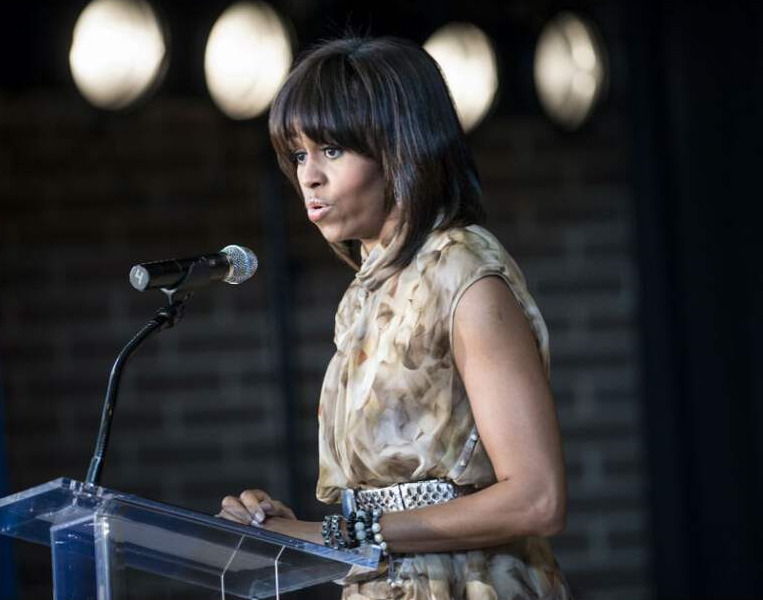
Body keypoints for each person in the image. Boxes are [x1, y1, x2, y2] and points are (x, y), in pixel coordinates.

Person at [218, 35, 572, 600]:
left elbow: (537, 497)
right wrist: (286, 527)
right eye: (299, 154)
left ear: (400, 149)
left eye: (332, 150)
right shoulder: (366, 292)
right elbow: (393, 503)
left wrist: (331, 531)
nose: (309, 176)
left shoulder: (463, 272)